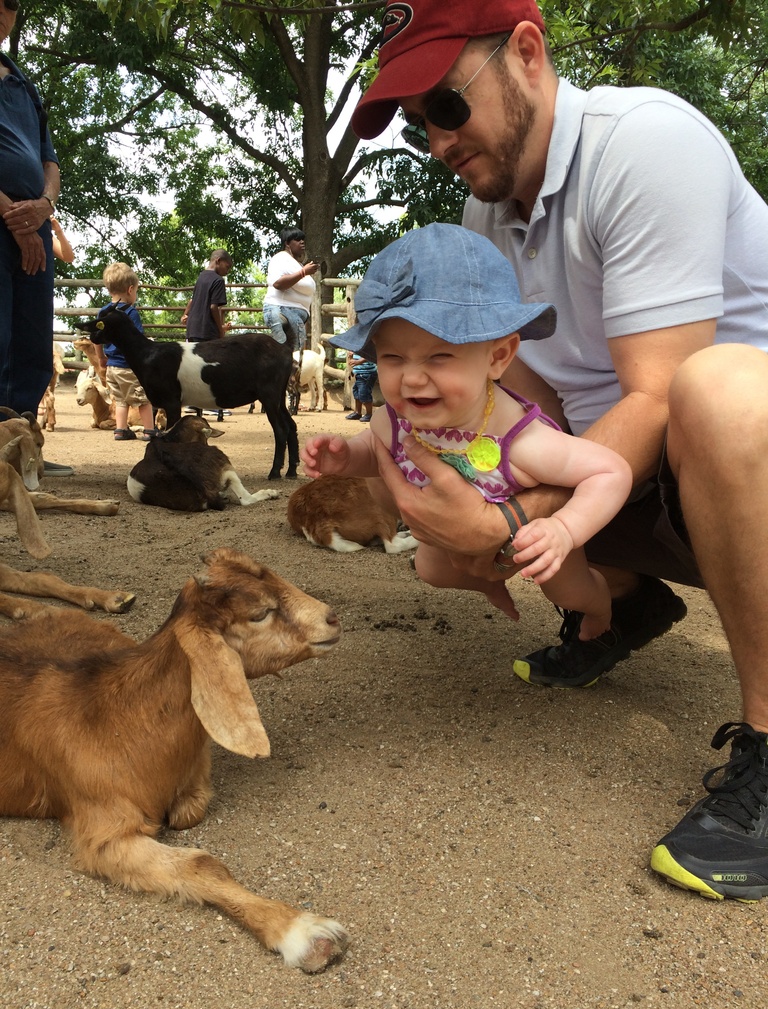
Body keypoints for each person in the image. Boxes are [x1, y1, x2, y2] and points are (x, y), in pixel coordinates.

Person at [350, 0, 768, 900]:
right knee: (477, 441)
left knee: (715, 395)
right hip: (660, 480)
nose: (436, 141)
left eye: (447, 105)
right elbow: (514, 397)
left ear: (528, 52)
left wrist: (506, 518)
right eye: (419, 123)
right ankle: (623, 604)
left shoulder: (644, 143)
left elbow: (658, 393)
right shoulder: (484, 213)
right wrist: (440, 462)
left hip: (738, 461)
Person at [303, 224, 633, 637]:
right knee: (430, 566)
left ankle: (602, 611)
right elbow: (377, 443)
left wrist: (564, 530)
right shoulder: (396, 418)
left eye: (439, 356)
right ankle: (487, 582)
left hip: (531, 535)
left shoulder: (522, 441)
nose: (412, 379)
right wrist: (348, 455)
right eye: (392, 357)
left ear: (498, 357)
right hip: (453, 531)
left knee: (566, 590)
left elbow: (610, 471)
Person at [0, 1, 72, 476]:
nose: (2, 10)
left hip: (35, 223)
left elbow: (50, 160)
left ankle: (27, 446)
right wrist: (10, 212)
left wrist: (44, 206)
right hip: (5, 219)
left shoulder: (23, 83)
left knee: (31, 334)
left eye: (10, 4)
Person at [96, 262, 159, 441]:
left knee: (121, 399)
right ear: (130, 289)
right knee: (143, 398)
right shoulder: (130, 313)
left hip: (112, 367)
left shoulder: (103, 312)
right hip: (130, 366)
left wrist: (101, 357)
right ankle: (149, 430)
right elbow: (136, 339)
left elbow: (96, 338)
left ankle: (121, 430)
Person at [182, 248, 233, 421]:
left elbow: (194, 300)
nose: (227, 271)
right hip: (207, 330)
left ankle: (197, 408)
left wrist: (187, 316)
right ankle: (216, 406)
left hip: (193, 328)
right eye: (227, 266)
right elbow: (214, 307)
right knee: (215, 369)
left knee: (194, 369)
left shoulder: (201, 277)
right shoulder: (218, 280)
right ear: (218, 260)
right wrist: (220, 330)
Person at [262, 228, 319, 356]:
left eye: (303, 239)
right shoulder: (280, 258)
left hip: (293, 315)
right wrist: (304, 272)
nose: (302, 242)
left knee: (292, 356)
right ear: (287, 243)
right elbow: (278, 283)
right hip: (281, 310)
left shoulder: (296, 264)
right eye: (297, 239)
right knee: (287, 356)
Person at [346, 351, 378, 422]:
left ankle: (369, 414)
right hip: (359, 373)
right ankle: (357, 412)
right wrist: (351, 356)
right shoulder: (356, 345)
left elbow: (371, 354)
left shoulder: (368, 344)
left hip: (367, 373)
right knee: (356, 392)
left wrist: (358, 362)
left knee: (364, 393)